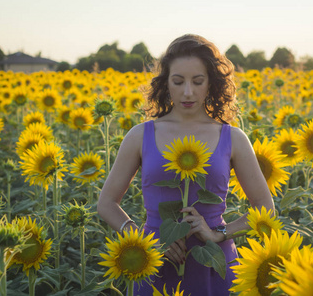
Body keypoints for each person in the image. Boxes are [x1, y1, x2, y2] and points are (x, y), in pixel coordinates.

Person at [97, 34, 274, 296]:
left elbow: (266, 209)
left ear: (211, 84)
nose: (188, 91)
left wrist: (219, 233)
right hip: (155, 261)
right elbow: (106, 203)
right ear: (165, 83)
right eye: (178, 81)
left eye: (198, 81)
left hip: (215, 261)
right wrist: (145, 242)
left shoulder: (233, 138)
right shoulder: (140, 135)